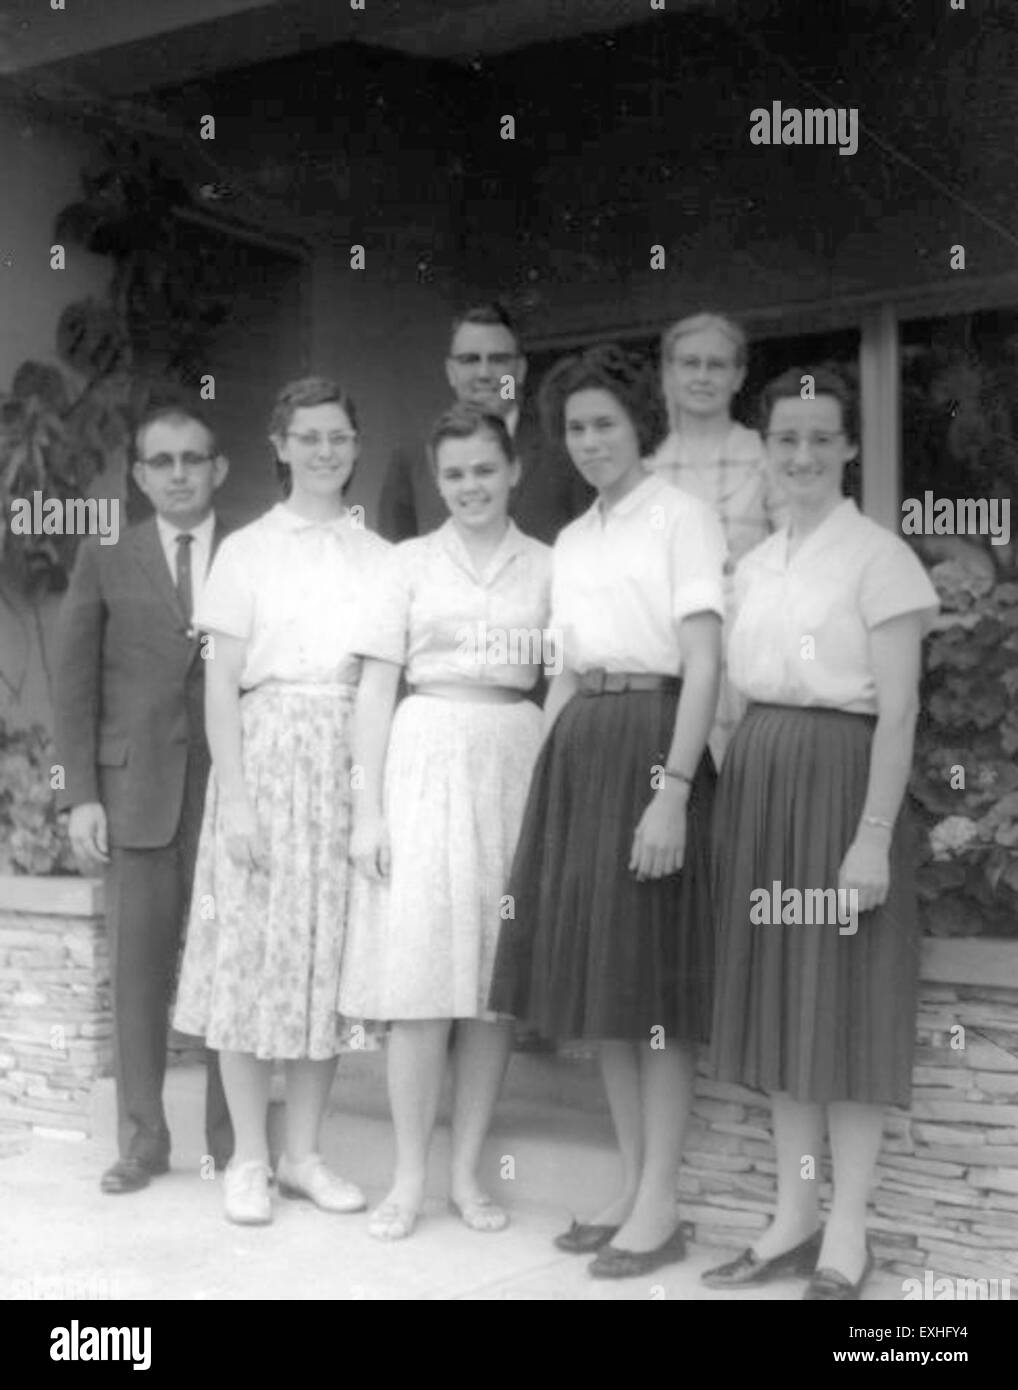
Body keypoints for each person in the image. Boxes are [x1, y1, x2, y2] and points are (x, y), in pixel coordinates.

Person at [488, 345, 726, 1279]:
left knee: (652, 992)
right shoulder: (576, 537)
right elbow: (565, 671)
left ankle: (661, 1203)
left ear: (640, 426)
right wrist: (540, 783)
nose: (589, 442)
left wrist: (671, 792)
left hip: (653, 741)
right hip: (585, 746)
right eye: (575, 428)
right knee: (608, 993)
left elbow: (705, 660)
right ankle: (632, 1185)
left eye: (605, 424)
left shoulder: (684, 517)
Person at [702, 366, 939, 1300]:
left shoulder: (881, 559)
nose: (800, 455)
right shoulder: (753, 566)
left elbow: (902, 712)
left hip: (843, 790)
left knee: (841, 1011)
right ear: (766, 449)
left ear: (849, 448)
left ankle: (848, 1234)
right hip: (763, 789)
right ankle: (793, 1218)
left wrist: (872, 836)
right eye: (784, 438)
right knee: (779, 1011)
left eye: (819, 438)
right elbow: (732, 697)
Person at [172, 376, 389, 1225]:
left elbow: (376, 686)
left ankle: (303, 1154)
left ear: (356, 445)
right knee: (247, 959)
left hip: (340, 759)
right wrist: (234, 803)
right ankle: (250, 1160)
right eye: (309, 436)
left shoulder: (380, 556)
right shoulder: (246, 550)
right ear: (280, 444)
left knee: (320, 964)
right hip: (260, 759)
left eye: (339, 436)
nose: (325, 450)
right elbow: (220, 685)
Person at [339, 402, 552, 1239]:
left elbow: (563, 678)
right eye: (455, 474)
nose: (471, 486)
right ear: (438, 480)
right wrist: (367, 811)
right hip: (423, 756)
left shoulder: (548, 565)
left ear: (513, 472)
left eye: (485, 470)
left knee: (490, 994)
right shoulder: (407, 564)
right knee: (422, 985)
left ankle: (467, 1175)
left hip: (515, 758)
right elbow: (373, 692)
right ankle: (407, 1179)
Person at [54, 404, 234, 1193]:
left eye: (194, 458)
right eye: (162, 462)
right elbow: (73, 684)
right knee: (138, 971)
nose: (180, 473)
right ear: (139, 476)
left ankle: (238, 1146)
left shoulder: (255, 553)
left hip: (234, 795)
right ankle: (141, 1139)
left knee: (233, 967)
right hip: (136, 794)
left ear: (219, 468)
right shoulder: (107, 557)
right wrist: (80, 796)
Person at [648, 312, 785, 768]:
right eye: (689, 363)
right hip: (670, 663)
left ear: (738, 375)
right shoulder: (648, 468)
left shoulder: (766, 458)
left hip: (750, 658)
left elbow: (798, 560)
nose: (702, 376)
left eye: (717, 365)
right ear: (669, 373)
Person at [377, 302, 594, 544]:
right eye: (469, 360)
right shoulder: (412, 458)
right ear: (451, 372)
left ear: (519, 371)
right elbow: (394, 561)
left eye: (498, 360)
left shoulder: (562, 448)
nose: (483, 374)